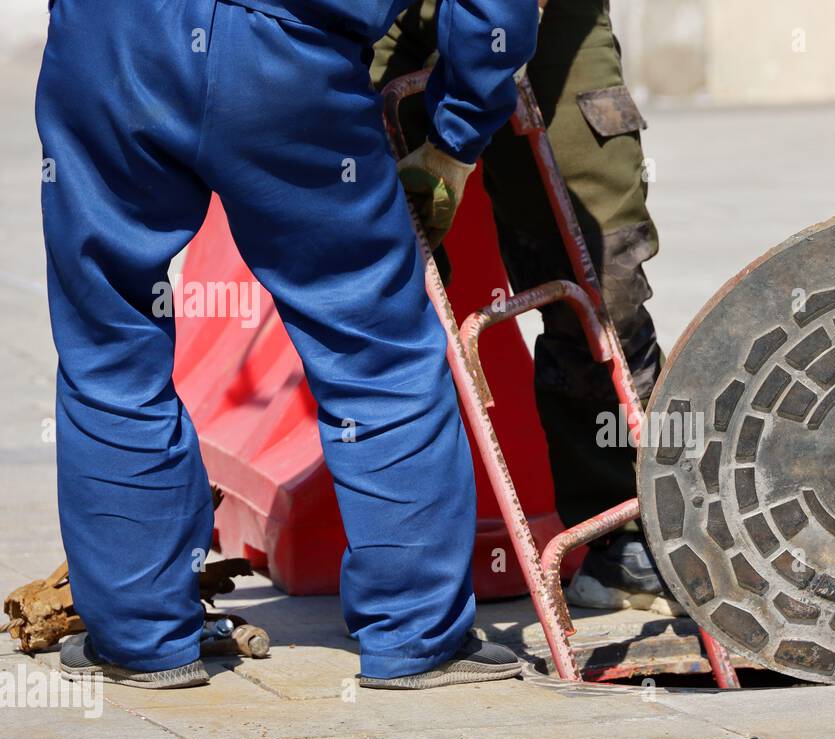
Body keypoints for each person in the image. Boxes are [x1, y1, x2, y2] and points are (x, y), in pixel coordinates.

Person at [39, 0, 537, 690]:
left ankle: (141, 637)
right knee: (374, 346)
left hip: (107, 40)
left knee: (108, 338)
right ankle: (415, 634)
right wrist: (456, 134)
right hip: (284, 54)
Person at [373, 0, 683, 617]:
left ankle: (624, 536)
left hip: (554, 27)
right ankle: (405, 584)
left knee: (602, 286)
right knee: (378, 277)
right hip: (377, 14)